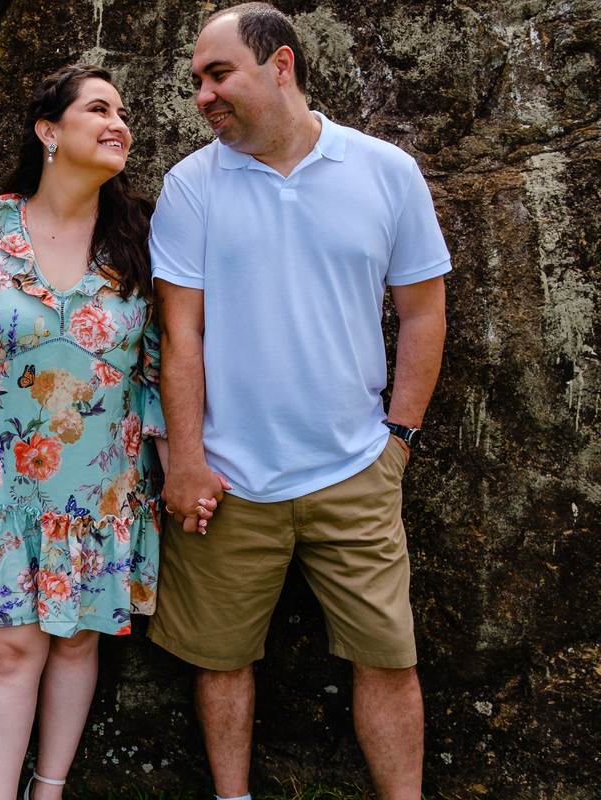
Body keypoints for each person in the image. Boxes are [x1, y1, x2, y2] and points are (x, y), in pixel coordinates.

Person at [147, 4, 450, 800]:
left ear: (280, 64)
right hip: (227, 481)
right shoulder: (191, 185)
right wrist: (187, 461)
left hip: (356, 469)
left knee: (389, 658)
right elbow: (180, 336)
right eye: (197, 81)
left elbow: (424, 312)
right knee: (221, 659)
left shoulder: (386, 172)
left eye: (219, 75)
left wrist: (400, 438)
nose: (203, 96)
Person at [0, 65, 168, 800]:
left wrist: (176, 465)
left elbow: (159, 369)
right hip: (0, 490)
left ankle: (48, 792)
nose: (119, 123)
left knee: (77, 642)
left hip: (101, 495)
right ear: (49, 132)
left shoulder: (139, 240)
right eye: (99, 109)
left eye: (123, 112)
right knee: (9, 650)